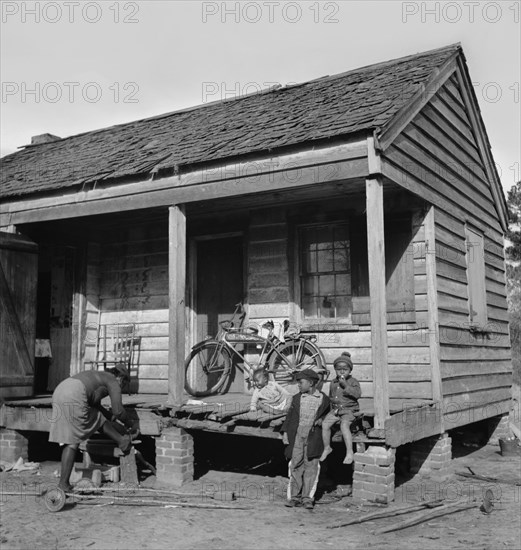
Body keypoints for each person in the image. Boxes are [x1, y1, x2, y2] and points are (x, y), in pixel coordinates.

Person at [49, 364, 138, 491]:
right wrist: (130, 424)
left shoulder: (99, 376)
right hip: (75, 393)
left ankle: (63, 483)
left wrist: (111, 418)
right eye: (123, 385)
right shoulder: (113, 380)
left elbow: (95, 404)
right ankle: (122, 441)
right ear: (121, 378)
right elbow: (118, 411)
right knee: (75, 440)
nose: (121, 388)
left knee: (70, 440)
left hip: (60, 391)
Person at [281, 368, 330, 510]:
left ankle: (307, 498)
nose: (298, 385)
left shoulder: (323, 399)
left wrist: (322, 419)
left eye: (301, 382)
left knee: (311, 466)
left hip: (314, 436)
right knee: (295, 464)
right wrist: (285, 432)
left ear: (311, 383)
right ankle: (294, 497)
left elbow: (330, 414)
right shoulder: (297, 398)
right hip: (298, 435)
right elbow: (290, 416)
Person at [320, 352, 361, 464]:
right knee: (325, 424)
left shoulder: (353, 382)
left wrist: (345, 386)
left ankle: (349, 452)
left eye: (345, 369)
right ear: (335, 370)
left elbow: (357, 394)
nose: (342, 371)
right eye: (339, 369)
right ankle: (327, 447)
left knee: (344, 425)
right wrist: (329, 412)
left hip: (349, 410)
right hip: (336, 410)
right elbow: (331, 398)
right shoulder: (333, 382)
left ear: (350, 370)